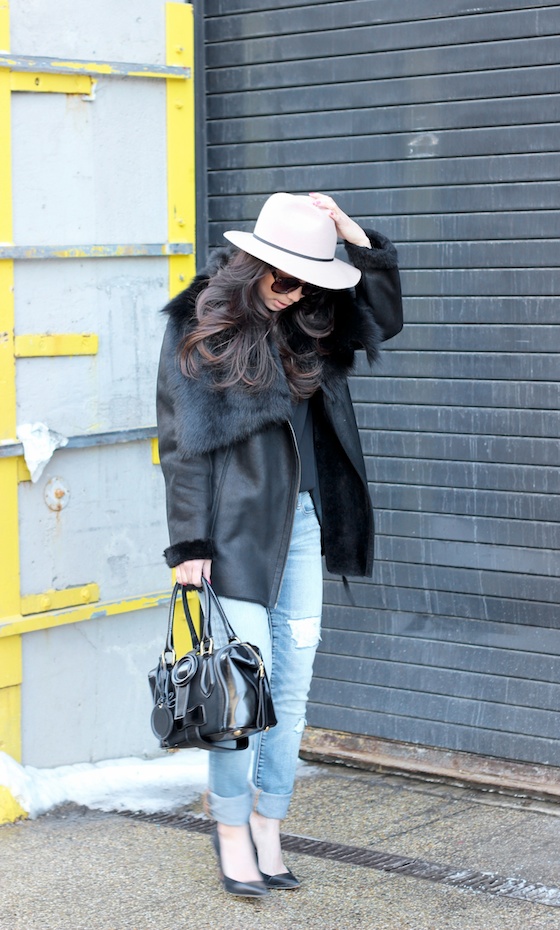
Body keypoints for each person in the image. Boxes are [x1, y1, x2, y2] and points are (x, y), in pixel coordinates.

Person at [156, 191, 403, 897]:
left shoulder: (318, 316)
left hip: (302, 524)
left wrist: (357, 239)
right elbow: (181, 447)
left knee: (289, 693)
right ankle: (230, 828)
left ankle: (270, 822)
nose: (298, 291)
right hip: (232, 532)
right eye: (285, 276)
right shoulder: (200, 324)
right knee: (239, 692)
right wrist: (188, 546)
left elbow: (386, 316)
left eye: (311, 278)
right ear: (253, 263)